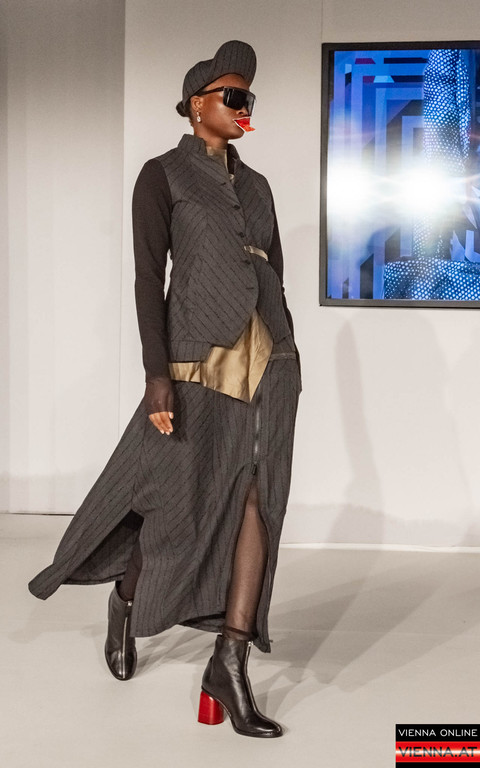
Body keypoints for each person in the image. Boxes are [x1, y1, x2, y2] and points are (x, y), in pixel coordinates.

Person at [28, 40, 302, 738]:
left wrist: (286, 344)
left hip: (268, 362)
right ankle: (126, 600)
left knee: (258, 501)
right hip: (192, 362)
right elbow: (149, 278)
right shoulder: (162, 176)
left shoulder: (259, 187)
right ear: (196, 103)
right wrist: (156, 376)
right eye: (233, 96)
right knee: (175, 504)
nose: (244, 107)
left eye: (249, 98)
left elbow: (274, 271)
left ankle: (230, 662)